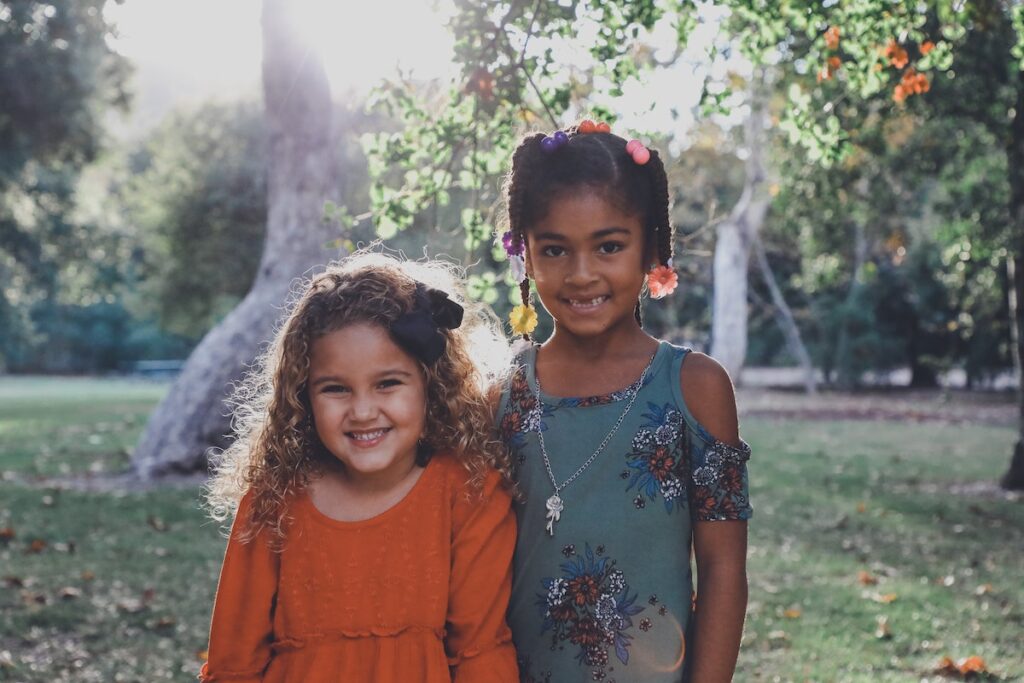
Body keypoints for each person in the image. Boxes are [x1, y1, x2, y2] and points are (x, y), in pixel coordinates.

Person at [493, 120, 752, 682]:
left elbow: (723, 567)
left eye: (609, 246)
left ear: (652, 247)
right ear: (525, 255)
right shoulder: (501, 390)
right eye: (555, 249)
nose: (582, 274)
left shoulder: (695, 388)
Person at [201, 253, 519, 683]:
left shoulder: (469, 493)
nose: (363, 411)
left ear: (431, 383)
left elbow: (480, 653)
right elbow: (233, 663)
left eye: (388, 383)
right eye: (335, 389)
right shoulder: (272, 502)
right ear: (302, 397)